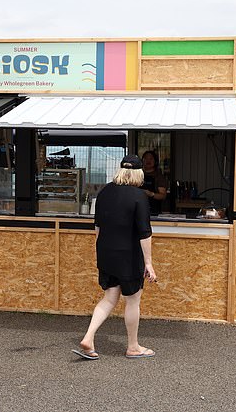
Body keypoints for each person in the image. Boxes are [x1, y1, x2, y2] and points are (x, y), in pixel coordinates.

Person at [72, 155, 157, 360]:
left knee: (109, 298)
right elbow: (144, 233)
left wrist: (102, 252)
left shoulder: (105, 192)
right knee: (133, 300)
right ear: (138, 174)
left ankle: (88, 337)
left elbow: (98, 227)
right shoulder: (139, 196)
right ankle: (133, 347)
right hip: (128, 255)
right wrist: (148, 263)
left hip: (106, 252)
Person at [141, 150, 167, 216]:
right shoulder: (138, 175)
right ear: (142, 161)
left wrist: (151, 194)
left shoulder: (159, 177)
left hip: (154, 212)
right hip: (138, 209)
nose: (148, 161)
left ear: (155, 161)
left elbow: (163, 196)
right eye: (146, 158)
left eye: (151, 159)